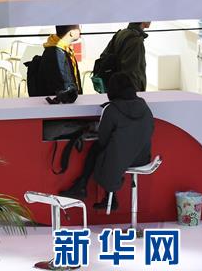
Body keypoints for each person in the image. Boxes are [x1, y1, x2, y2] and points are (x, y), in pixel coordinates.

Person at [59, 73, 154, 210]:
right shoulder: (144, 107)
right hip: (142, 158)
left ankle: (82, 185)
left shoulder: (111, 110)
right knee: (114, 151)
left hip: (121, 159)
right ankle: (103, 195)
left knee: (98, 149)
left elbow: (103, 139)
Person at [94, 22, 150, 92]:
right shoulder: (135, 40)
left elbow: (104, 55)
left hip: (116, 86)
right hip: (127, 90)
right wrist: (135, 93)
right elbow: (133, 71)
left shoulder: (121, 33)